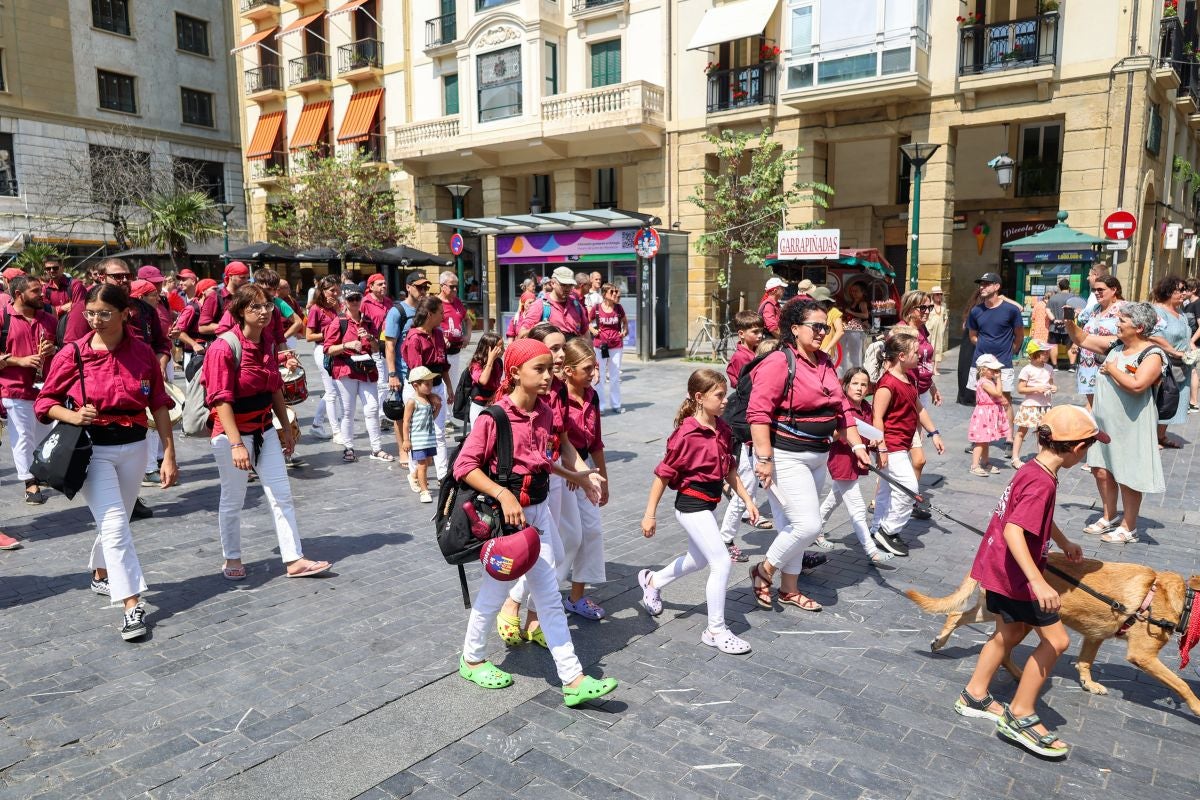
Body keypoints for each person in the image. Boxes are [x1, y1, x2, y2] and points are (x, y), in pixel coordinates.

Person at [454, 337, 617, 706]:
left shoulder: (544, 412)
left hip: (538, 514)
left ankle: (572, 679)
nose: (548, 376)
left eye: (550, 368)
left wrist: (576, 476)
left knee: (547, 595)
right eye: (539, 369)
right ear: (514, 373)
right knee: (495, 593)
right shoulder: (494, 417)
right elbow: (464, 467)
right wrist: (503, 494)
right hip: (509, 522)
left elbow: (542, 460)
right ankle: (472, 658)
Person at [35, 283, 179, 640]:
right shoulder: (74, 354)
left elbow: (158, 403)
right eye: (90, 314)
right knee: (115, 525)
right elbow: (45, 403)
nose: (96, 321)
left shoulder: (143, 353)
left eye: (104, 314)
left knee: (116, 521)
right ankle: (132, 605)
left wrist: (169, 454)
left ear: (125, 313)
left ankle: (100, 571)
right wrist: (71, 417)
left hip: (134, 447)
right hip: (92, 451)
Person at [955, 405, 1096, 760]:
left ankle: (974, 694)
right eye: (1090, 447)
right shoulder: (1042, 482)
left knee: (1011, 633)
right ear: (1077, 448)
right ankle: (1020, 714)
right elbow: (1017, 528)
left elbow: (1027, 517)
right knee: (1058, 640)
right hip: (1018, 576)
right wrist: (1038, 581)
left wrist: (1062, 542)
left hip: (999, 567)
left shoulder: (1034, 467)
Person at [746, 300, 868, 612]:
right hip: (788, 456)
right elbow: (758, 414)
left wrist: (857, 446)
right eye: (816, 326)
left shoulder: (824, 361)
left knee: (792, 525)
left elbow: (842, 410)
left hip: (818, 456)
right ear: (795, 328)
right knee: (808, 525)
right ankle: (764, 570)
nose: (822, 331)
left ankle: (789, 589)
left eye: (825, 326)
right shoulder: (778, 362)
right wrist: (764, 459)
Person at [203, 284, 330, 582]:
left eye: (267, 306)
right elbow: (220, 400)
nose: (263, 312)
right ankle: (231, 556)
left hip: (264, 430)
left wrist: (285, 427)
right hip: (231, 435)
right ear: (239, 311)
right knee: (234, 498)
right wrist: (236, 444)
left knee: (282, 495)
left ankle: (294, 559)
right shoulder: (224, 347)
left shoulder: (269, 343)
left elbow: (274, 387)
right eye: (255, 307)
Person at [638, 368, 759, 654]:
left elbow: (729, 469)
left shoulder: (722, 428)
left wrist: (749, 501)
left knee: (698, 560)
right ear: (699, 398)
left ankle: (652, 581)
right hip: (691, 506)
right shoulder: (685, 434)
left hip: (708, 504)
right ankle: (715, 630)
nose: (725, 400)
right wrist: (649, 513)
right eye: (719, 396)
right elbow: (663, 475)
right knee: (722, 562)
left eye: (725, 394)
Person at [1065, 301, 1164, 544]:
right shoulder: (1117, 345)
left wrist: (1111, 368)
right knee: (1101, 470)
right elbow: (1084, 339)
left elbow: (1138, 385)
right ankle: (1109, 515)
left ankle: (1129, 526)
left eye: (1123, 320)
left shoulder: (1152, 354)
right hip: (1105, 422)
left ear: (1139, 327)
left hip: (1131, 424)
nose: (1117, 324)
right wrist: (1069, 322)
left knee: (1128, 475)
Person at [870, 332, 944, 557]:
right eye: (915, 351)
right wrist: (881, 447)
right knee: (909, 488)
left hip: (902, 443)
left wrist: (934, 433)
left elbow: (918, 408)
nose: (920, 354)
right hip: (891, 446)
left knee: (885, 492)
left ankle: (877, 529)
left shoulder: (909, 378)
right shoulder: (887, 384)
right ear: (901, 356)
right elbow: (877, 417)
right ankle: (889, 530)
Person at [813, 368, 893, 564]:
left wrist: (873, 442)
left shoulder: (866, 408)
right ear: (846, 385)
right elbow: (830, 436)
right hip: (841, 461)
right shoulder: (840, 407)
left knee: (834, 499)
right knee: (857, 508)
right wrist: (843, 432)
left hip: (857, 461)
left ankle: (817, 530)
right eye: (855, 383)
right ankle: (871, 550)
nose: (859, 388)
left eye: (864, 384)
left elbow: (870, 433)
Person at [555, 339, 609, 620]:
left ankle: (576, 597)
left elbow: (597, 441)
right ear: (568, 370)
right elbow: (559, 439)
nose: (593, 373)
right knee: (568, 537)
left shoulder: (592, 396)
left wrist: (603, 478)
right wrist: (573, 469)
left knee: (592, 532)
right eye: (587, 368)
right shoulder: (558, 397)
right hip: (564, 471)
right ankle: (545, 595)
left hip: (585, 467)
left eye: (595, 368)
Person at [0, 275, 57, 504]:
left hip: (45, 387)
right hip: (13, 388)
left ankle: (40, 472)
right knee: (23, 435)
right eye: (35, 291)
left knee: (45, 434)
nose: (41, 294)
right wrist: (19, 361)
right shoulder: (4, 317)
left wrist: (53, 348)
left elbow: (61, 350)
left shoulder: (49, 319)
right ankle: (29, 482)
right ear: (18, 295)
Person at [718, 310, 768, 561]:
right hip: (746, 428)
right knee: (745, 488)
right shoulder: (742, 358)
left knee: (750, 489)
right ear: (741, 334)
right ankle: (725, 539)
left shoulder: (754, 356)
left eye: (761, 331)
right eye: (755, 331)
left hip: (752, 429)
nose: (759, 335)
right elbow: (744, 390)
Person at [325, 282, 388, 463]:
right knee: (348, 411)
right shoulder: (339, 321)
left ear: (362, 299)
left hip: (366, 368)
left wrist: (370, 338)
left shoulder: (367, 321)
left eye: (357, 298)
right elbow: (328, 349)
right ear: (344, 300)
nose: (354, 301)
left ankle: (376, 448)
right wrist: (347, 345)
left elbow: (376, 349)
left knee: (373, 408)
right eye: (350, 298)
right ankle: (349, 447)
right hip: (346, 369)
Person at [900, 290, 941, 518]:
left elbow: (924, 363)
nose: (927, 311)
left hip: (922, 392)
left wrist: (932, 386)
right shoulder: (903, 331)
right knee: (904, 449)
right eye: (922, 308)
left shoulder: (923, 329)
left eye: (928, 307)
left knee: (908, 450)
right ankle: (904, 499)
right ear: (909, 308)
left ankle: (906, 497)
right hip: (908, 395)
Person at [400, 295, 452, 481]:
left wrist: (449, 389)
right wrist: (429, 398)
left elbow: (443, 364)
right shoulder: (415, 337)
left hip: (436, 387)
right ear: (430, 314)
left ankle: (442, 474)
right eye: (440, 313)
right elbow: (417, 372)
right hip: (419, 391)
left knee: (439, 433)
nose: (443, 317)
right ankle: (415, 475)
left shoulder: (438, 334)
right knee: (419, 434)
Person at [967, 272, 1024, 440]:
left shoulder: (1011, 310)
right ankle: (980, 436)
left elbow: (1019, 335)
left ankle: (1009, 437)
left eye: (986, 284)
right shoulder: (976, 311)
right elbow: (972, 336)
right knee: (981, 400)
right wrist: (984, 349)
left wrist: (1010, 350)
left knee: (1005, 398)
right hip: (980, 364)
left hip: (1003, 363)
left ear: (997, 286)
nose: (982, 287)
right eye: (981, 284)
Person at [384, 271, 432, 459]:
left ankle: (422, 451)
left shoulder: (425, 310)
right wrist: (392, 374)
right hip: (403, 372)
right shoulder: (398, 312)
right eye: (419, 287)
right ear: (408, 287)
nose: (423, 291)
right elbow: (390, 345)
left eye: (425, 287)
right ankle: (403, 451)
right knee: (401, 412)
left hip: (422, 371)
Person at [1149, 275, 1196, 448]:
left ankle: (1161, 435)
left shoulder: (1181, 311)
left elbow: (1186, 335)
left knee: (1172, 399)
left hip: (1181, 364)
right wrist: (1174, 352)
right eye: (1181, 289)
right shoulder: (1157, 311)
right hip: (1163, 364)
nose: (1185, 293)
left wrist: (1191, 349)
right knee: (1161, 399)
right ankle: (1152, 437)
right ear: (1168, 291)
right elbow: (1154, 336)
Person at [1074, 273, 1124, 409]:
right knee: (1092, 404)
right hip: (1088, 364)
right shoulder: (1094, 309)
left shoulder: (1125, 308)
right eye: (1094, 290)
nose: (1096, 293)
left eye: (1100, 290)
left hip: (1109, 363)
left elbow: (1152, 325)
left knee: (1108, 406)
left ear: (1114, 290)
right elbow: (1082, 323)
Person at [306, 276, 344, 442]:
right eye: (332, 290)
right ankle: (336, 432)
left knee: (334, 391)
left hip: (338, 349)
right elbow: (308, 336)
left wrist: (339, 309)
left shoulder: (339, 307)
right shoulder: (316, 309)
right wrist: (329, 333)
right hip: (323, 350)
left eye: (337, 290)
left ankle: (316, 424)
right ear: (322, 291)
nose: (335, 293)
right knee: (332, 392)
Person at [1011, 341, 1056, 467]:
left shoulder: (1049, 368)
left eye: (1047, 352)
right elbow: (1020, 389)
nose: (1047, 354)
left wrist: (1053, 387)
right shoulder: (1027, 369)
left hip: (1045, 406)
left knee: (1042, 434)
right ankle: (1015, 458)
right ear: (1034, 354)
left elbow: (1051, 383)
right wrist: (1036, 389)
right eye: (1044, 352)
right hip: (1030, 406)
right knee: (1021, 432)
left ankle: (1041, 459)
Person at [401, 365, 441, 503]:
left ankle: (413, 476)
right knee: (423, 465)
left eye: (431, 383)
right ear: (416, 385)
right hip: (419, 440)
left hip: (429, 438)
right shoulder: (412, 402)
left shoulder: (429, 400)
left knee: (428, 462)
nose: (430, 387)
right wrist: (406, 440)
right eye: (427, 384)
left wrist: (438, 407)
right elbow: (406, 422)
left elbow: (431, 418)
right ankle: (424, 491)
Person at [968, 354, 1011, 477]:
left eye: (997, 370)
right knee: (980, 440)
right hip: (983, 414)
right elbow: (997, 393)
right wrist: (999, 380)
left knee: (986, 440)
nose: (996, 372)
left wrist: (1002, 400)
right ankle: (975, 465)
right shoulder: (984, 382)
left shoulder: (989, 381)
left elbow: (997, 395)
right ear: (983, 369)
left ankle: (985, 462)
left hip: (989, 413)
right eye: (993, 369)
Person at [588, 282, 627, 414]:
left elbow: (625, 323)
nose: (616, 294)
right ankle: (600, 406)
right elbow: (586, 322)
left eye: (617, 292)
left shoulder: (619, 308)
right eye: (612, 292)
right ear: (604, 294)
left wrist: (624, 332)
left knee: (615, 376)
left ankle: (616, 404)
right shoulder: (597, 308)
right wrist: (593, 331)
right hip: (600, 346)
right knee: (600, 376)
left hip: (616, 345)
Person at [518, 267, 587, 337]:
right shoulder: (539, 305)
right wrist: (537, 329)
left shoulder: (576, 305)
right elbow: (521, 334)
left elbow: (586, 333)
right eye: (563, 285)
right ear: (553, 283)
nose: (567, 289)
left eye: (570, 285)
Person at [438, 271, 471, 398]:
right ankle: (442, 416)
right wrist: (441, 337)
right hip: (441, 351)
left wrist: (467, 336)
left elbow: (467, 320)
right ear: (442, 286)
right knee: (441, 384)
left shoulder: (457, 301)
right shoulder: (435, 302)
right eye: (452, 286)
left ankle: (449, 415)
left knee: (453, 383)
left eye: (456, 286)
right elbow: (428, 325)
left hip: (455, 351)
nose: (455, 289)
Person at [198, 261, 250, 339]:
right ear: (231, 276)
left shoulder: (246, 296)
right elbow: (202, 328)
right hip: (224, 344)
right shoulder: (215, 296)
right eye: (242, 277)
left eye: (247, 278)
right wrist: (230, 326)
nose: (246, 281)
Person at [465, 332, 503, 425]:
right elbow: (483, 381)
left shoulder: (498, 362)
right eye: (500, 348)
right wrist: (490, 360)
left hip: (493, 404)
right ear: (489, 349)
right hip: (479, 406)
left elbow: (497, 382)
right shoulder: (476, 364)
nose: (503, 350)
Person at [956, 286, 983, 406]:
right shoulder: (980, 310)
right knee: (972, 367)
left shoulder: (971, 308)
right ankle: (971, 395)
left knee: (965, 367)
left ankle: (964, 395)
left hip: (967, 344)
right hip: (974, 342)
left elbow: (963, 326)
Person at [1046, 277, 1080, 370]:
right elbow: (1078, 311)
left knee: (1053, 345)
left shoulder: (1053, 298)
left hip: (1054, 326)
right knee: (1070, 346)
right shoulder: (1073, 297)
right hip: (1068, 327)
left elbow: (1047, 310)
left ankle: (1054, 366)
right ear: (1068, 286)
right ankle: (1072, 366)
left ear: (1059, 287)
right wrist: (1071, 318)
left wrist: (1054, 320)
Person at [41, 254, 85, 320]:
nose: (52, 271)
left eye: (55, 268)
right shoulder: (45, 289)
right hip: (55, 327)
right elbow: (46, 313)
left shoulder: (75, 285)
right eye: (48, 268)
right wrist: (62, 308)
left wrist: (54, 310)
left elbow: (78, 310)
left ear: (62, 268)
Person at [925, 285, 949, 366]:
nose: (939, 296)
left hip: (939, 330)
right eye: (937, 294)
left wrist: (943, 327)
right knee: (930, 346)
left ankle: (935, 368)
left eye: (940, 294)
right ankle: (929, 365)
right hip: (930, 329)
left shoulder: (943, 305)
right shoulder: (929, 305)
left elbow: (946, 317)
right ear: (933, 296)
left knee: (938, 348)